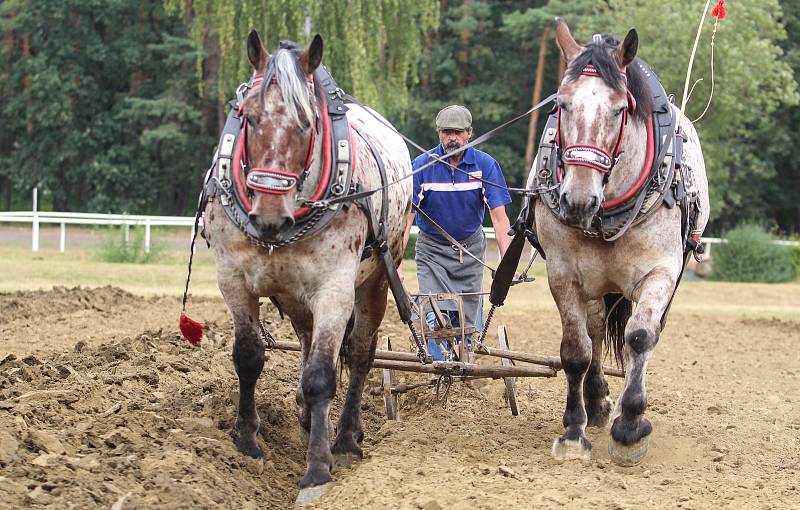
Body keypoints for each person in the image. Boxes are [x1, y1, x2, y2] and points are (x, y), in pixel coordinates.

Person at [399, 105, 514, 361]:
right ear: (439, 133)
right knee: (436, 313)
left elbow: (499, 218)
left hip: (470, 251)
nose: (452, 138)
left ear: (469, 133)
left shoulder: (485, 165)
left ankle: (464, 359)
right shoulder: (421, 166)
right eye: (446, 132)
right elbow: (406, 221)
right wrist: (396, 263)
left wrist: (507, 264)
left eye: (458, 132)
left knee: (467, 321)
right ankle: (437, 364)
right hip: (432, 252)